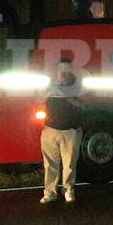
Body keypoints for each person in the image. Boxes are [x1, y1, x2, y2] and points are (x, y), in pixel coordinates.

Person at [40, 59, 85, 204]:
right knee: (50, 165)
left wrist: (66, 96)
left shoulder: (78, 86)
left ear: (71, 72)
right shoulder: (50, 86)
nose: (63, 75)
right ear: (57, 73)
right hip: (50, 130)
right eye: (61, 71)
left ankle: (68, 191)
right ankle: (50, 193)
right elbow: (38, 100)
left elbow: (84, 106)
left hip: (71, 131)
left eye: (66, 71)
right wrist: (50, 92)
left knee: (70, 165)